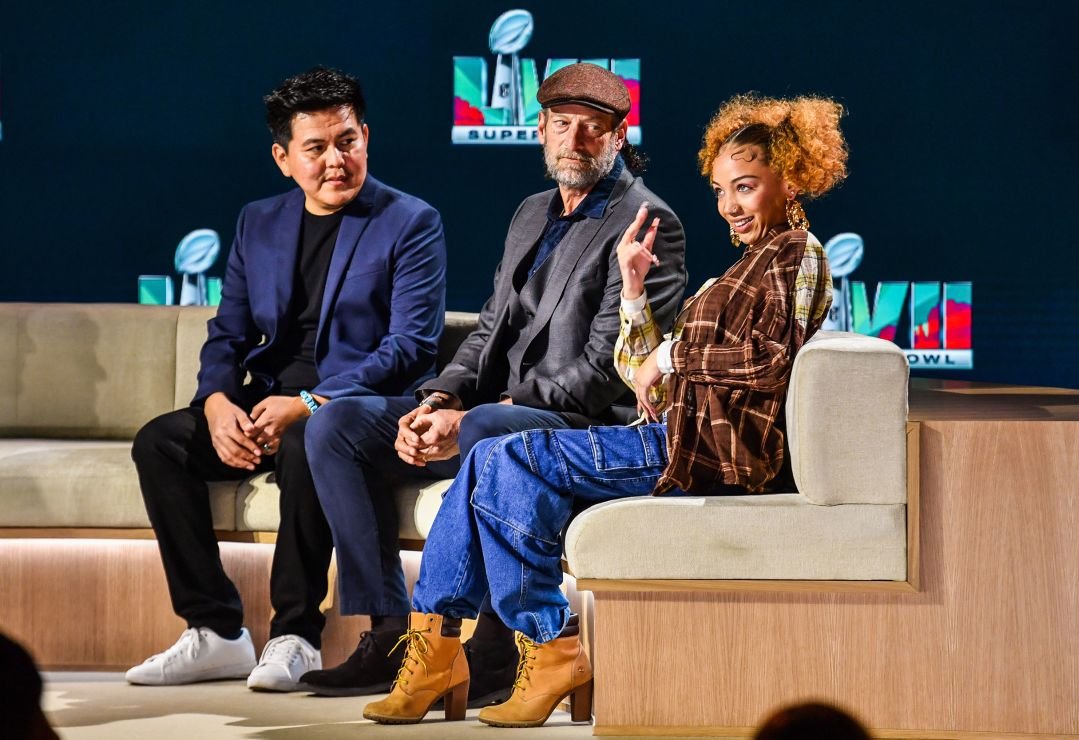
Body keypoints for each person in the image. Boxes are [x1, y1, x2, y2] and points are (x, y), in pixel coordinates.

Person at [361, 92, 847, 728]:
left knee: (497, 453)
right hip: (670, 433)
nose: (729, 205)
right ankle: (471, 651)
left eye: (747, 187)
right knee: (501, 463)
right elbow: (638, 370)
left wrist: (672, 360)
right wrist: (637, 292)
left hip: (704, 455)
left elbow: (768, 363)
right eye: (722, 190)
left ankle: (521, 646)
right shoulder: (738, 269)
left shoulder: (798, 256)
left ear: (792, 179)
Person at [299, 62, 686, 704]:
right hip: (488, 405)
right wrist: (440, 397)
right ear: (540, 130)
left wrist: (484, 410)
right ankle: (391, 631)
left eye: (593, 130)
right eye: (563, 126)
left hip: (584, 423)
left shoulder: (647, 221)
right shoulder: (531, 211)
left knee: (487, 430)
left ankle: (492, 645)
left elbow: (604, 372)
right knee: (335, 425)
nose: (575, 141)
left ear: (619, 138)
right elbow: (487, 329)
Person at [126, 67, 447, 691]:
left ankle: (294, 634)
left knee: (314, 437)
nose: (336, 160)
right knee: (160, 442)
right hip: (265, 400)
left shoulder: (410, 221)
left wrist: (307, 402)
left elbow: (410, 347)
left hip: (357, 408)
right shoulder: (258, 222)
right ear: (283, 158)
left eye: (347, 141)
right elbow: (229, 333)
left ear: (366, 137)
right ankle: (215, 630)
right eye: (317, 148)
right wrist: (218, 402)